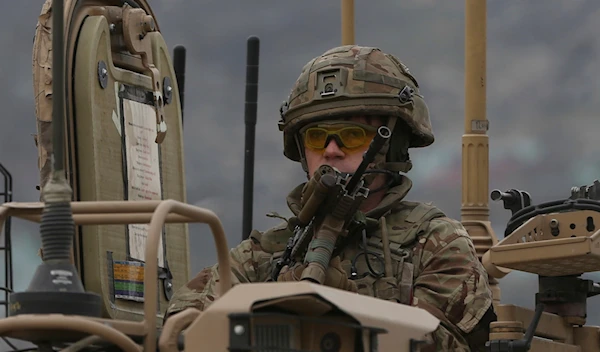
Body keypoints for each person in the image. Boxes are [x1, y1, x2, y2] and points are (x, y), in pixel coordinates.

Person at [164, 45, 496, 351]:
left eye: (352, 136)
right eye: (317, 137)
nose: (331, 150)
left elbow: (438, 343)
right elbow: (183, 324)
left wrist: (340, 305)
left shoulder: (435, 242)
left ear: (392, 146)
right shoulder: (266, 253)